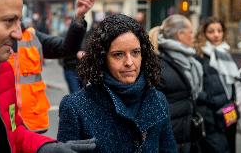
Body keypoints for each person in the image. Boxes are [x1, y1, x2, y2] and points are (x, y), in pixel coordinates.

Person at [0, 0, 96, 153]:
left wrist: (44, 147)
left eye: (19, 20)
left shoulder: (3, 70)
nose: (18, 33)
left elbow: (12, 132)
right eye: (9, 20)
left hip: (35, 120)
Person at [57, 14, 177, 152]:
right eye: (118, 54)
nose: (129, 62)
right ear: (102, 58)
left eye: (135, 52)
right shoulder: (75, 107)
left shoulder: (158, 100)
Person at [8, 0, 98, 133]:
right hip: (4, 123)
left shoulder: (32, 36)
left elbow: (66, 49)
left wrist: (79, 17)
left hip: (31, 121)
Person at [149, 14, 203, 153]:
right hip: (172, 139)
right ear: (180, 34)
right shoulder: (160, 63)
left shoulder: (187, 59)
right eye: (191, 32)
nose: (193, 36)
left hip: (185, 137)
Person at [194, 16, 240, 153]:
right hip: (210, 116)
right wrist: (212, 101)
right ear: (203, 34)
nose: (216, 35)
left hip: (228, 113)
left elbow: (230, 82)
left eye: (219, 31)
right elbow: (195, 89)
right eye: (211, 31)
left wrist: (233, 100)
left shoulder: (225, 53)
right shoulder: (199, 56)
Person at [60, 20, 100, 94]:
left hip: (82, 69)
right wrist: (75, 54)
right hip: (70, 68)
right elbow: (61, 53)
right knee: (75, 94)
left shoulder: (85, 35)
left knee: (83, 94)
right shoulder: (64, 35)